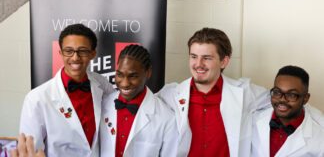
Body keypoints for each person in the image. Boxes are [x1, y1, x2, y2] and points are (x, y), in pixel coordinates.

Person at [157, 27, 270, 157]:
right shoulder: (170, 94)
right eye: (194, 56)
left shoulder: (245, 92)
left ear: (224, 62)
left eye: (207, 58)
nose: (198, 64)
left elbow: (284, 102)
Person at [19, 24, 115, 157]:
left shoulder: (103, 85)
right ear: (61, 53)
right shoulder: (36, 98)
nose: (75, 57)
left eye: (82, 51)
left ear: (93, 54)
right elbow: (32, 150)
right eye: (69, 51)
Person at [99, 45, 178, 157]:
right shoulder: (102, 105)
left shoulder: (167, 118)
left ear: (148, 72)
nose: (125, 83)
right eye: (120, 75)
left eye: (133, 76)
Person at [251, 65, 324, 157]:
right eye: (277, 92)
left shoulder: (320, 138)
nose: (282, 100)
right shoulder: (253, 121)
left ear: (305, 98)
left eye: (292, 95)